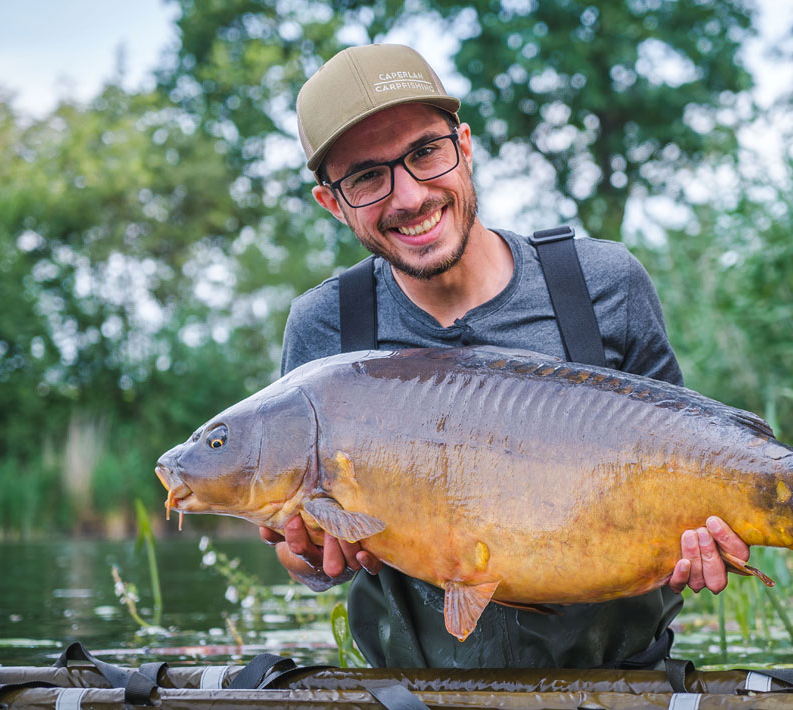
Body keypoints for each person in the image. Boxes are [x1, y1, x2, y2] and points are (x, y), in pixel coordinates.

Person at [260, 43, 752, 668]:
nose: (408, 196)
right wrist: (309, 553)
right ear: (332, 201)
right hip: (416, 697)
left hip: (620, 685)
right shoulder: (326, 325)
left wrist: (707, 537)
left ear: (464, 145)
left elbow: (691, 457)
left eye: (424, 152)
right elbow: (299, 558)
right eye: (365, 177)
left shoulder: (601, 284)